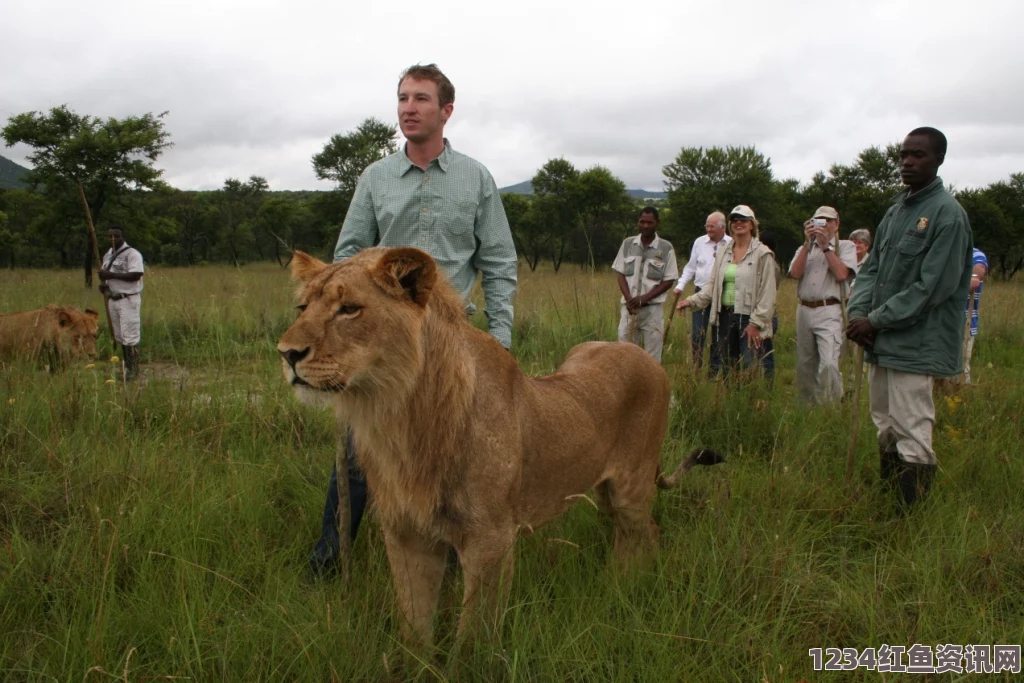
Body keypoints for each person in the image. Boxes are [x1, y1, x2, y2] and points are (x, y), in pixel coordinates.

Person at [308, 63, 518, 579]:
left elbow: (499, 261)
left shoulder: (476, 178)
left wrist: (501, 337)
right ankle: (328, 562)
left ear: (446, 111)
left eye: (421, 99)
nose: (408, 107)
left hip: (451, 340)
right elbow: (346, 257)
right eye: (403, 98)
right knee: (363, 453)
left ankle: (447, 566)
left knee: (448, 455)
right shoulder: (376, 178)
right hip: (383, 340)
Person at [846, 127, 973, 513]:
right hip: (880, 340)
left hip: (916, 343)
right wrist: (857, 314)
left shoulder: (948, 215)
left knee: (911, 427)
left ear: (938, 160)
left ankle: (909, 520)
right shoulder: (896, 210)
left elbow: (931, 288)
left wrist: (876, 320)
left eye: (918, 155)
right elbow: (872, 270)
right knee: (883, 424)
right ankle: (889, 504)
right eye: (903, 154)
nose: (907, 162)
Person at [676, 205, 776, 379]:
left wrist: (756, 323)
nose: (738, 223)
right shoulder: (723, 252)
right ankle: (730, 401)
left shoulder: (763, 254)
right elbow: (712, 285)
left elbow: (768, 293)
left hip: (749, 318)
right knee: (729, 365)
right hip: (725, 315)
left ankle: (749, 403)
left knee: (748, 365)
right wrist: (692, 301)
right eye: (734, 219)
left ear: (752, 224)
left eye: (743, 219)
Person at [788, 207, 857, 405]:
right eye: (818, 221)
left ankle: (831, 407)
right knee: (805, 364)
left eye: (828, 221)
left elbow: (842, 274)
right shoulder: (806, 247)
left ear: (837, 224)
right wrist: (807, 243)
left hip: (830, 309)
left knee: (828, 363)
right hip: (804, 308)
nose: (823, 225)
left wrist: (826, 246)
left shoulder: (845, 246)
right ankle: (807, 408)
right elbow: (795, 273)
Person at [612, 207, 678, 362]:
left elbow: (669, 280)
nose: (646, 226)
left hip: (652, 311)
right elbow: (620, 273)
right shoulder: (628, 244)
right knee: (624, 354)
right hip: (629, 309)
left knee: (652, 357)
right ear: (638, 222)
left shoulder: (666, 247)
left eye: (650, 222)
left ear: (657, 223)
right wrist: (629, 298)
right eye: (642, 222)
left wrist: (644, 298)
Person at [673, 211, 732, 370]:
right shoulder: (699, 242)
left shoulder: (731, 243)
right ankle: (696, 368)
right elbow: (691, 266)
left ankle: (715, 370)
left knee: (718, 334)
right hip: (700, 293)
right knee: (698, 333)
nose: (709, 229)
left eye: (712, 226)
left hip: (721, 294)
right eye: (707, 226)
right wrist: (680, 285)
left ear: (723, 227)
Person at [98, 225, 144, 380]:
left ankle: (133, 370)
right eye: (109, 236)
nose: (112, 239)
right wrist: (104, 284)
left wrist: (110, 275)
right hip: (113, 298)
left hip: (128, 299)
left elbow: (136, 274)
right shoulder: (108, 255)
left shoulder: (132, 254)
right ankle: (126, 367)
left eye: (116, 236)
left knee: (129, 335)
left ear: (122, 237)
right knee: (120, 336)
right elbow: (106, 276)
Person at [757, 231, 783, 386]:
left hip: (767, 315)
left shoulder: (769, 264)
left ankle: (768, 383)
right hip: (770, 314)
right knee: (763, 351)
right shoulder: (774, 263)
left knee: (765, 352)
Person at [962, 247, 989, 384]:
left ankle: (962, 388)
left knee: (963, 361)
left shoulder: (975, 253)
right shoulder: (944, 249)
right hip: (942, 319)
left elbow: (979, 268)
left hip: (965, 319)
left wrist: (973, 277)